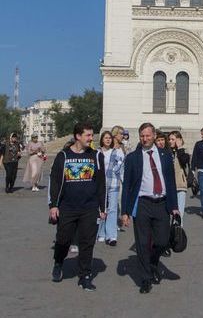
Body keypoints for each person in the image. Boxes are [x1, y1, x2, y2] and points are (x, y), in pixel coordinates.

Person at [121, 122, 179, 294]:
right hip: (143, 204)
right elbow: (127, 187)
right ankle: (145, 279)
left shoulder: (165, 155)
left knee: (162, 241)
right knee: (142, 243)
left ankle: (153, 260)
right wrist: (125, 212)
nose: (145, 139)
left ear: (154, 135)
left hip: (161, 203)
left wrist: (174, 206)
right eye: (142, 136)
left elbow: (170, 182)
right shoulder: (133, 158)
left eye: (147, 135)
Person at [48, 122, 107, 291]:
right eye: (88, 135)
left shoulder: (96, 156)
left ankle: (85, 276)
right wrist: (53, 205)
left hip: (89, 207)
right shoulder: (63, 156)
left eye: (91, 135)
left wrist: (103, 208)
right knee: (63, 239)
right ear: (77, 136)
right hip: (67, 207)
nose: (91, 138)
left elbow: (101, 184)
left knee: (87, 242)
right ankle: (59, 262)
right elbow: (56, 182)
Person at [96, 130, 124, 246]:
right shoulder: (96, 152)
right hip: (100, 185)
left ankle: (111, 236)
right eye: (105, 138)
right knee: (102, 210)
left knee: (112, 209)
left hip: (113, 184)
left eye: (109, 138)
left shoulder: (117, 152)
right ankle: (101, 233)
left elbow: (121, 168)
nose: (108, 139)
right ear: (102, 139)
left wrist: (124, 182)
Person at [168, 131, 190, 225]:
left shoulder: (184, 150)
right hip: (168, 186)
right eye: (169, 139)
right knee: (168, 213)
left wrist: (180, 147)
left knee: (179, 213)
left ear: (179, 140)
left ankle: (178, 234)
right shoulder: (167, 151)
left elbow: (184, 161)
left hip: (180, 185)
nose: (170, 141)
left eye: (173, 139)